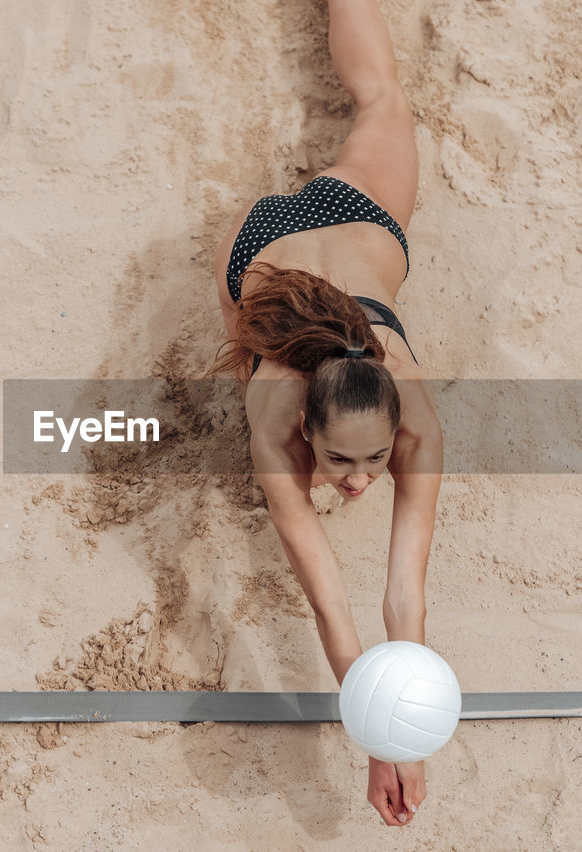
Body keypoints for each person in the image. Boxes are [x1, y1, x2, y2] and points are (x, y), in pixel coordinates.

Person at [208, 0, 443, 828]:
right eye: (338, 462)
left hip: (352, 217)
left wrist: (395, 729)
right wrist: (384, 739)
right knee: (380, 104)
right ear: (304, 428)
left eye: (371, 461)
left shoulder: (414, 419)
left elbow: (400, 601)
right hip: (257, 247)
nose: (355, 483)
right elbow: (332, 604)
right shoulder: (274, 422)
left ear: (394, 433)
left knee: (384, 98)